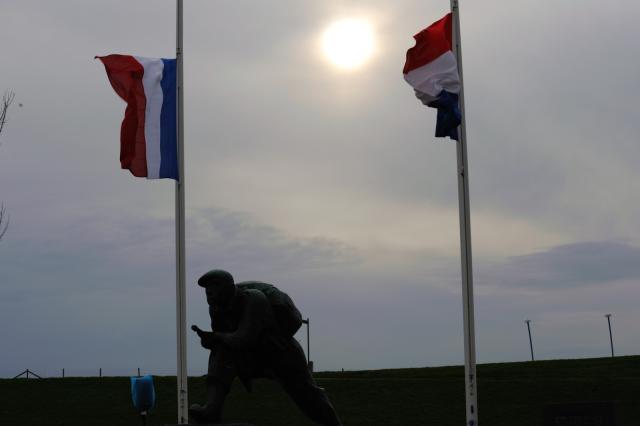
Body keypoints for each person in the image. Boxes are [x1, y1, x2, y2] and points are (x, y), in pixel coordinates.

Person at [189, 269, 342, 425]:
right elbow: (224, 339)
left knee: (307, 394)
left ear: (227, 287)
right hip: (250, 353)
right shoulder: (216, 309)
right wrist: (209, 341)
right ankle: (212, 409)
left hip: (280, 351)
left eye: (214, 286)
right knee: (221, 350)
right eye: (207, 288)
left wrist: (216, 337)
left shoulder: (254, 298)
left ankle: (333, 424)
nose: (209, 292)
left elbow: (243, 338)